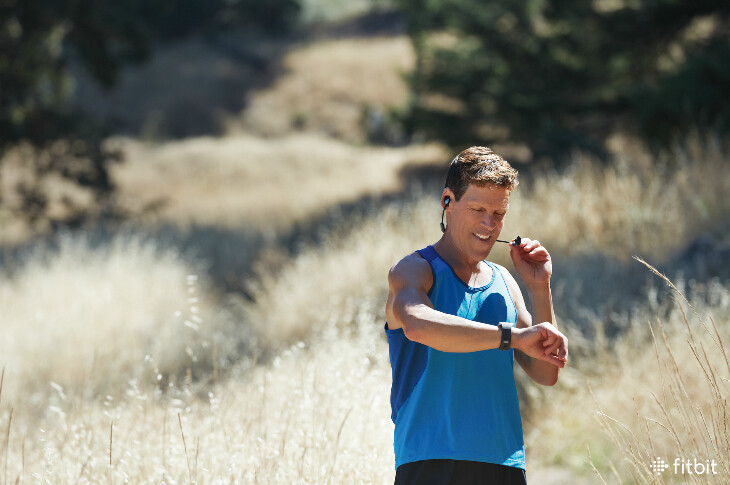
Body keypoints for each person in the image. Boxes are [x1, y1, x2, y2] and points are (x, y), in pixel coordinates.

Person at [384, 146, 569, 485]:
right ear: (447, 201)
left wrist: (539, 286)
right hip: (429, 463)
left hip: (504, 463)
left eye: (499, 213)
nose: (489, 224)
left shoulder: (504, 282)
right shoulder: (414, 270)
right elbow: (417, 324)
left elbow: (546, 372)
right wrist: (511, 337)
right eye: (478, 209)